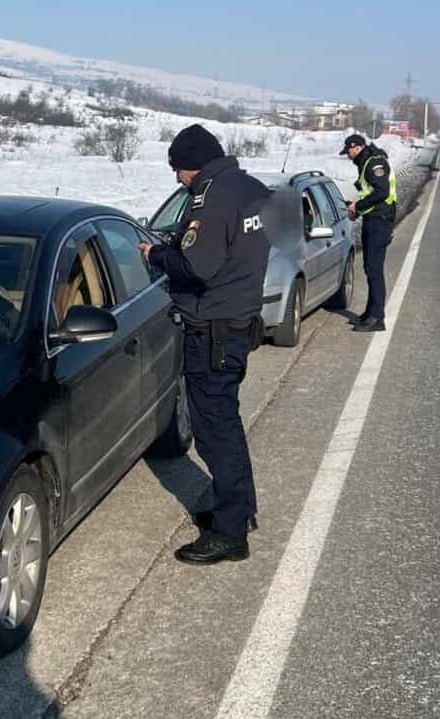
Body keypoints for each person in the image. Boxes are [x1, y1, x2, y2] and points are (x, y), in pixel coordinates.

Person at [139, 124, 270, 566]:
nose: (178, 179)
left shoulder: (211, 197)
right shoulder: (251, 188)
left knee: (215, 432)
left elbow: (197, 264)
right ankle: (239, 509)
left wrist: (155, 256)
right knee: (226, 424)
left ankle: (230, 534)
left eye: (178, 169)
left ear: (193, 163)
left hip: (212, 329)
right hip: (238, 322)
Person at [339, 132, 397, 332]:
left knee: (374, 270)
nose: (348, 156)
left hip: (380, 221)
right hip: (374, 218)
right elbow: (369, 191)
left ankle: (377, 318)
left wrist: (359, 206)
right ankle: (370, 312)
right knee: (370, 268)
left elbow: (382, 192)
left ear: (356, 147)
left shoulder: (373, 162)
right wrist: (358, 207)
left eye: (348, 151)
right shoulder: (367, 161)